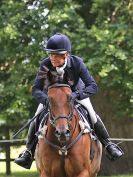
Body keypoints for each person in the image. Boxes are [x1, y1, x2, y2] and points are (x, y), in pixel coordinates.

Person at [14, 33, 123, 169]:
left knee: (93, 115)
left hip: (76, 96)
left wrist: (77, 95)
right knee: (35, 119)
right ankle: (28, 152)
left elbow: (92, 86)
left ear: (66, 54)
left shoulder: (77, 63)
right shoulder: (45, 65)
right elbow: (36, 89)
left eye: (56, 55)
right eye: (50, 54)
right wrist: (45, 100)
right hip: (52, 99)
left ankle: (108, 145)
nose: (52, 58)